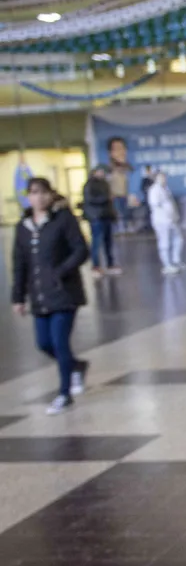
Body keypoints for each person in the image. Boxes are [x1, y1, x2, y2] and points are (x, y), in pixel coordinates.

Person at [10, 178, 90, 416]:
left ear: (51, 195)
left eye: (44, 193)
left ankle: (64, 394)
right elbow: (20, 263)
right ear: (28, 197)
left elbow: (81, 249)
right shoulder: (22, 227)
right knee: (43, 343)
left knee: (59, 342)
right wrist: (18, 297)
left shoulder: (63, 219)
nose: (39, 198)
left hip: (64, 293)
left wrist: (62, 271)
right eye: (34, 193)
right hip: (39, 296)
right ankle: (76, 366)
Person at [82, 165, 121, 277]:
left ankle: (110, 264)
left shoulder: (105, 184)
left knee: (108, 242)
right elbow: (90, 200)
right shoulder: (89, 185)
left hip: (106, 216)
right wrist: (105, 198)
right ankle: (95, 266)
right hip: (96, 217)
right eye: (101, 171)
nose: (103, 174)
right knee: (96, 242)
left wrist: (112, 214)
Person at [148, 172, 184, 275]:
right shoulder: (154, 190)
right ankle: (167, 264)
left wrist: (174, 216)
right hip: (161, 220)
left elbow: (170, 204)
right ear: (156, 178)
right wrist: (166, 212)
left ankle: (176, 260)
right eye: (161, 177)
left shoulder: (166, 189)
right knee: (165, 243)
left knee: (178, 239)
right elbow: (155, 204)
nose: (164, 179)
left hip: (172, 220)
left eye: (164, 177)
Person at [106, 136, 134, 234]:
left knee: (126, 212)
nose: (121, 152)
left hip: (125, 195)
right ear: (111, 153)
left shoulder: (129, 169)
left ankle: (127, 226)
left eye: (122, 148)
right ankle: (119, 227)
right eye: (117, 149)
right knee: (117, 213)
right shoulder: (109, 170)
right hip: (115, 196)